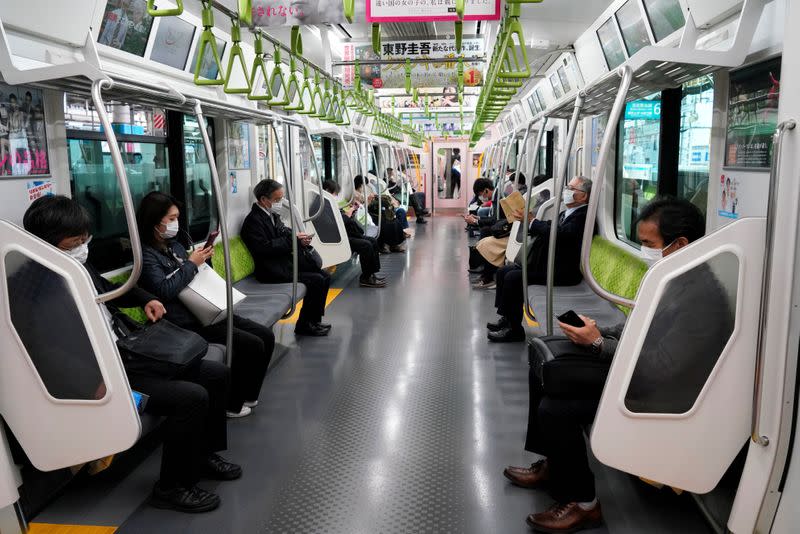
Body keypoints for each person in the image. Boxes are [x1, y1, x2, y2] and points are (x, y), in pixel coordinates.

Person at [505, 198, 727, 533]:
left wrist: (597, 343)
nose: (643, 251)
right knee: (543, 363)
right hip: (641, 370)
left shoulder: (701, 297)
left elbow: (662, 367)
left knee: (556, 407)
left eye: (649, 244)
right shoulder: (675, 276)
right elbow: (636, 326)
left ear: (679, 244)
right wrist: (598, 330)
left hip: (661, 392)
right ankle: (555, 463)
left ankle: (584, 504)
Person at [18, 195, 240, 513]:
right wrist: (92, 381)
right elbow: (45, 349)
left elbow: (107, 289)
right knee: (191, 397)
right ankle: (172, 487)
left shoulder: (73, 263)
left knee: (216, 374)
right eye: (75, 242)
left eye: (85, 239)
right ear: (47, 243)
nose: (83, 247)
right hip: (103, 370)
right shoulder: (29, 289)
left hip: (126, 349)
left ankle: (205, 455)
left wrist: (145, 298)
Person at [137, 192, 273, 417]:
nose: (175, 223)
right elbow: (165, 290)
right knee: (250, 344)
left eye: (177, 218)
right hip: (184, 319)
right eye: (170, 219)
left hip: (203, 308)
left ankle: (248, 394)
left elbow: (189, 275)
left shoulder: (176, 246)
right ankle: (232, 403)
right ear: (155, 220)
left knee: (264, 336)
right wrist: (191, 264)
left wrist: (202, 260)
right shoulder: (146, 255)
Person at [488, 177, 592, 343]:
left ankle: (514, 330)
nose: (566, 191)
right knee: (503, 271)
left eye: (571, 188)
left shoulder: (584, 216)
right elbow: (553, 228)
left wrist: (532, 222)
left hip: (563, 271)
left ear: (583, 196)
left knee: (513, 278)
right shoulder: (566, 213)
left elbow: (563, 235)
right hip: (549, 264)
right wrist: (531, 222)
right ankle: (507, 320)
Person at [241, 179, 333, 336]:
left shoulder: (271, 215)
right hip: (270, 270)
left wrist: (298, 237)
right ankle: (304, 325)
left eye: (281, 199)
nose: (280, 203)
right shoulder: (253, 221)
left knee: (324, 275)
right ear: (263, 200)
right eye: (277, 200)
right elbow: (264, 248)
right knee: (316, 280)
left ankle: (313, 320)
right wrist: (292, 240)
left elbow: (283, 231)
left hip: (282, 263)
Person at [323, 180, 386, 288]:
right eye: (335, 194)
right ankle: (365, 278)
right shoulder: (322, 205)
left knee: (372, 241)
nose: (336, 196)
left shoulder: (329, 203)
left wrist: (351, 211)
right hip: (337, 238)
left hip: (345, 234)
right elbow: (330, 224)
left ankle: (371, 274)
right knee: (366, 245)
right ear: (327, 191)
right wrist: (347, 216)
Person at [354, 175, 406, 253]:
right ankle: (383, 245)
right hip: (365, 214)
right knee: (383, 221)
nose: (365, 186)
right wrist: (368, 200)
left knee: (394, 221)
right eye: (364, 184)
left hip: (371, 212)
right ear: (360, 184)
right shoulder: (355, 194)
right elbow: (361, 208)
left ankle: (394, 244)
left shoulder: (365, 191)